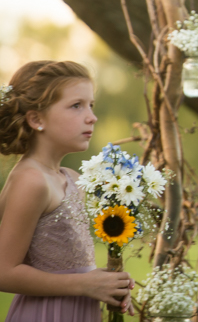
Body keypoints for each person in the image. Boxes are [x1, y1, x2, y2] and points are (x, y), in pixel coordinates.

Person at [0, 60, 134, 322]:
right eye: (76, 106)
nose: (91, 117)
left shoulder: (70, 178)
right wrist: (85, 285)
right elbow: (3, 271)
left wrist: (107, 283)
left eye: (91, 105)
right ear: (36, 118)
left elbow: (70, 265)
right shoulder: (31, 181)